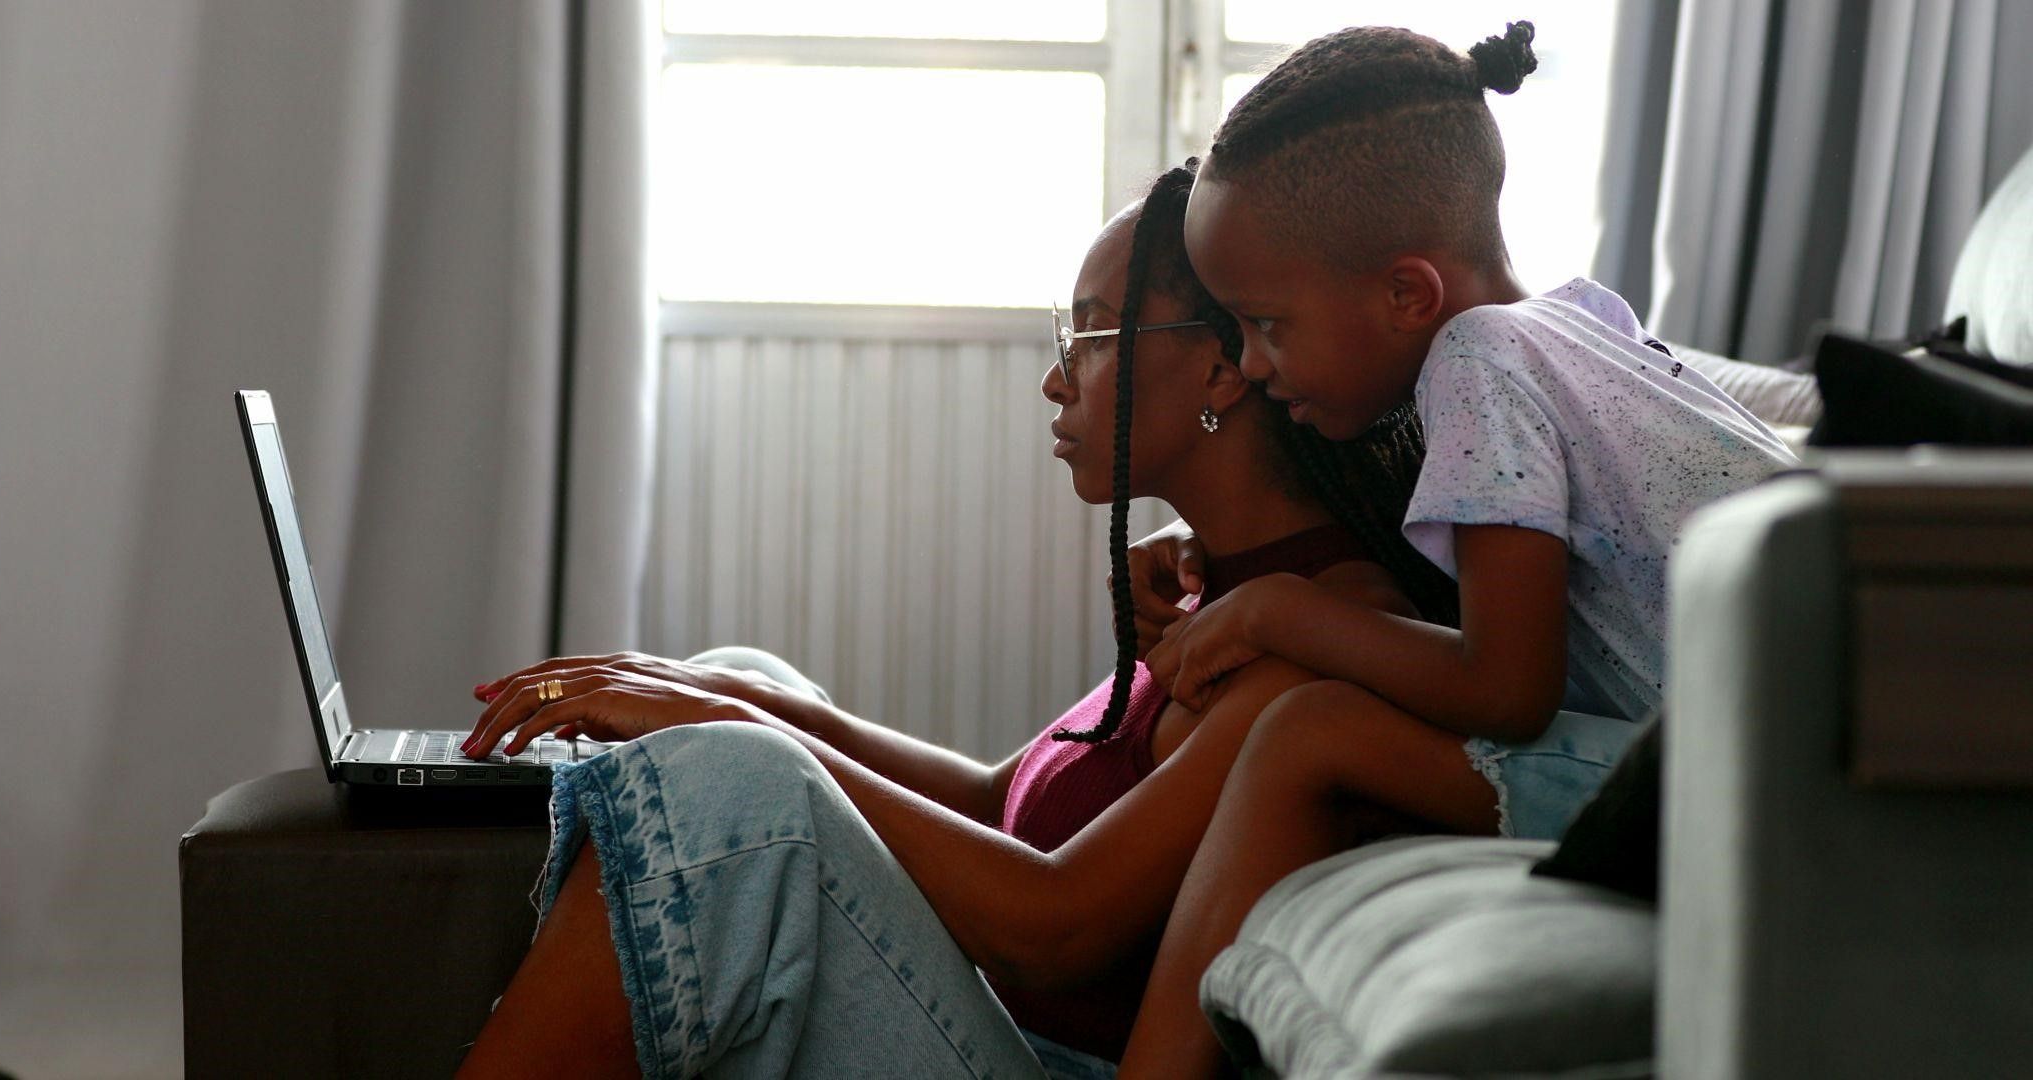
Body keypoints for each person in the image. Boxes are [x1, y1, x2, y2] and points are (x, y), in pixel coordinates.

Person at [452, 160, 1451, 1079]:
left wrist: (742, 736)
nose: (1056, 379)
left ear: (1222, 368)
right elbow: (995, 799)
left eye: (1089, 335)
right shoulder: (1213, 596)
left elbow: (1053, 922)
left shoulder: (1308, 639)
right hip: (1007, 1027)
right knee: (743, 675)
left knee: (736, 781)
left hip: (1054, 1061)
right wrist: (728, 696)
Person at [1111, 21, 1802, 1077]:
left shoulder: (1476, 362)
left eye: (1265, 325)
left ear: (1405, 296)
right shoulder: (1572, 322)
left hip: (1738, 790)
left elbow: (1502, 686)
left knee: (1308, 732)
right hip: (1778, 759)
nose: (1249, 365)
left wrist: (1272, 611)